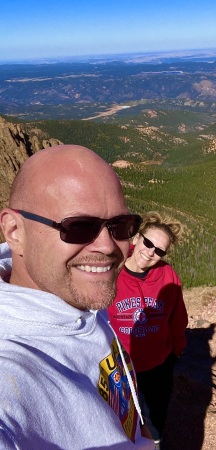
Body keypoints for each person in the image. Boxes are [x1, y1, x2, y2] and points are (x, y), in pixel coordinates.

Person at [0, 144, 154, 449]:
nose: (108, 247)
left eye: (120, 226)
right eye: (79, 227)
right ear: (15, 231)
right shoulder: (11, 369)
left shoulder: (72, 293)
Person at [107, 211, 188, 449]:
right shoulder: (111, 271)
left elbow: (177, 318)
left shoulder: (167, 276)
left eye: (159, 250)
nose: (151, 252)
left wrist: (177, 350)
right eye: (148, 242)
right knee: (119, 420)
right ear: (135, 239)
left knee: (155, 417)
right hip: (120, 368)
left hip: (158, 365)